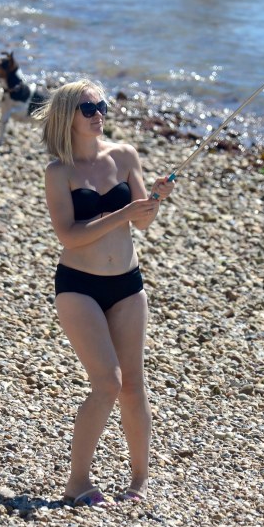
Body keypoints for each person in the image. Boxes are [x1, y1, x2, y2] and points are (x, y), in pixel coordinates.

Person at [38, 79, 175, 505]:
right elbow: (69, 235)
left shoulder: (125, 155)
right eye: (87, 108)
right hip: (79, 285)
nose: (98, 114)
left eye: (102, 106)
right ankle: (77, 482)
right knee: (107, 382)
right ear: (67, 116)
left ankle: (138, 481)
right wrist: (125, 213)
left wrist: (153, 199)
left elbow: (143, 222)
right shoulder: (59, 171)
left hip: (128, 285)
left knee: (133, 384)